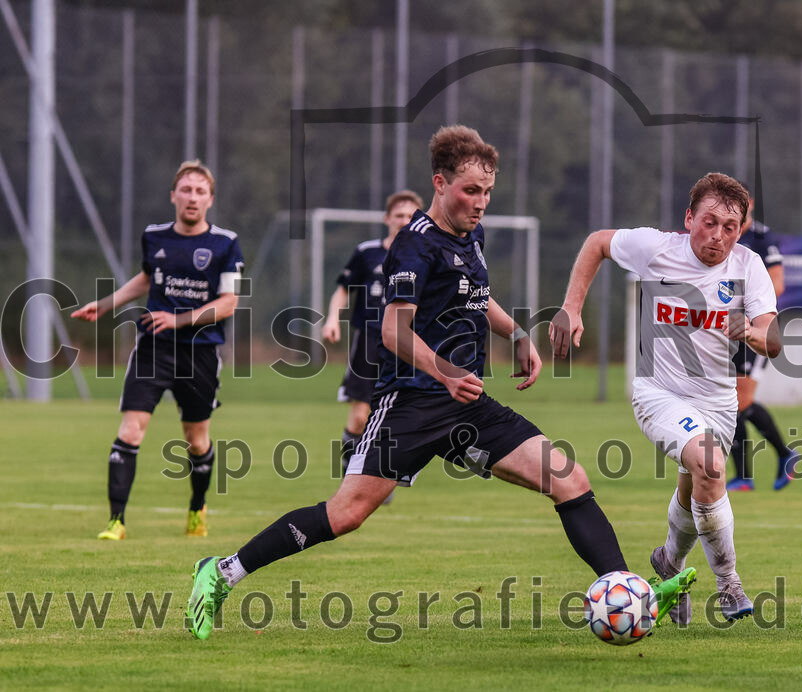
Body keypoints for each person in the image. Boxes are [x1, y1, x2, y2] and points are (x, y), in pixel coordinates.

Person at [186, 125, 692, 640]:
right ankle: (223, 572)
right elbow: (392, 330)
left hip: (467, 406)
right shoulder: (413, 247)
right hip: (411, 404)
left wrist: (516, 333)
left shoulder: (472, 235)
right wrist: (446, 373)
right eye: (470, 191)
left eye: (488, 192)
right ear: (440, 183)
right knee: (346, 514)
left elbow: (475, 296)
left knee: (570, 479)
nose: (481, 203)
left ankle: (626, 589)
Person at [551, 172, 781, 625]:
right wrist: (571, 307)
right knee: (712, 465)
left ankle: (668, 565)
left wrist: (751, 332)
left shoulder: (748, 266)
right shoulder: (657, 249)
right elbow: (597, 242)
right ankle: (729, 583)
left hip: (718, 401)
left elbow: (772, 340)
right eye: (710, 222)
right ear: (689, 217)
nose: (718, 236)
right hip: (658, 392)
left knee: (699, 484)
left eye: (730, 228)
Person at [71, 160, 243, 540]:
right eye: (186, 189)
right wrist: (106, 304)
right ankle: (116, 521)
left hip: (200, 354)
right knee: (131, 431)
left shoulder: (225, 243)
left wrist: (178, 319)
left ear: (210, 199)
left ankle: (197, 509)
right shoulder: (155, 236)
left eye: (200, 191)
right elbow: (149, 278)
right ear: (173, 196)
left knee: (196, 439)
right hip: (153, 348)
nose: (192, 197)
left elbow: (230, 303)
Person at [322, 189, 424, 504]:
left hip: (407, 344)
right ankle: (350, 481)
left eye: (411, 216)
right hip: (368, 340)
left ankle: (382, 481)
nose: (404, 221)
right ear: (387, 219)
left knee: (399, 415)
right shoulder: (367, 253)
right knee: (358, 418)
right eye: (399, 216)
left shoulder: (425, 256)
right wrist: (331, 319)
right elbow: (343, 290)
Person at [726, 188, 798, 492]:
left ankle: (775, 459)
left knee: (738, 403)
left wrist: (743, 301)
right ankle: (754, 471)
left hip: (754, 329)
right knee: (730, 404)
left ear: (750, 205)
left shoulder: (761, 238)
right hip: (723, 330)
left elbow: (778, 285)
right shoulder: (720, 237)